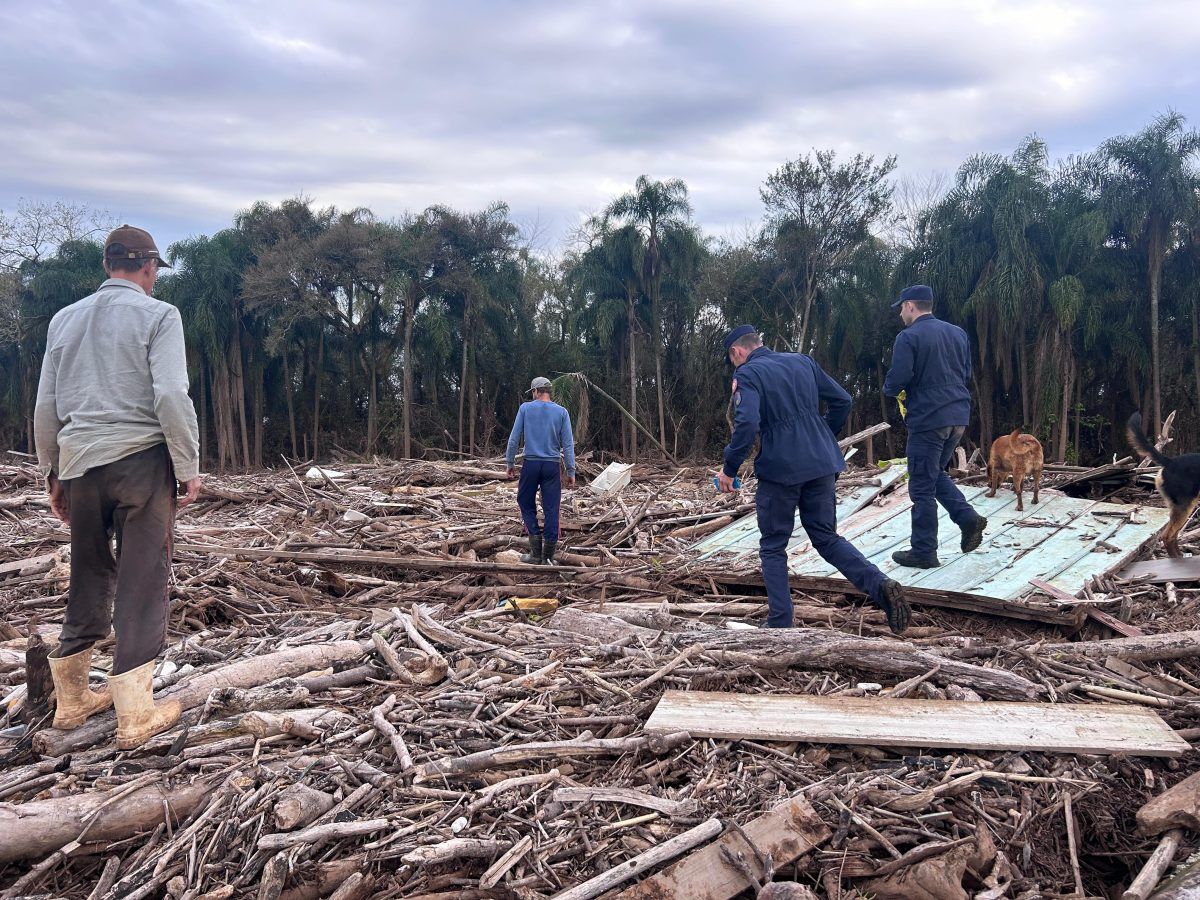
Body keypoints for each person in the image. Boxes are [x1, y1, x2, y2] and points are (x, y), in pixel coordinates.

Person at [34, 224, 202, 749]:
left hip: (81, 463)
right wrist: (187, 463)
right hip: (140, 462)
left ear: (108, 265)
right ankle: (135, 714)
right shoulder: (159, 315)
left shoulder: (65, 320)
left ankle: (72, 700)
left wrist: (53, 473)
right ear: (148, 268)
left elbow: (45, 407)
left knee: (87, 571)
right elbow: (172, 395)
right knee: (142, 576)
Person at [718, 326, 911, 633]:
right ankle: (881, 585)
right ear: (760, 342)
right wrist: (820, 436)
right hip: (821, 464)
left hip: (780, 470)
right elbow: (843, 400)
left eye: (732, 360)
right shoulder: (802, 362)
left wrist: (729, 468)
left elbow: (747, 424)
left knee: (772, 545)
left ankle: (780, 624)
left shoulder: (749, 375)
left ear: (736, 352)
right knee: (826, 537)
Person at [884, 284, 987, 568]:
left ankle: (924, 551)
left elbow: (898, 379)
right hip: (958, 416)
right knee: (932, 474)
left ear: (909, 306)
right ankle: (967, 518)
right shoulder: (958, 333)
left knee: (921, 487)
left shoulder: (909, 337)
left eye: (902, 309)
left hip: (928, 419)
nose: (901, 314)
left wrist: (891, 388)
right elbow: (965, 372)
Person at [506, 376, 576, 564]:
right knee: (552, 508)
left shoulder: (525, 409)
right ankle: (548, 557)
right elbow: (568, 445)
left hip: (531, 464)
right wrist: (571, 471)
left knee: (525, 501)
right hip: (552, 466)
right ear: (548, 391)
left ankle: (536, 553)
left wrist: (510, 463)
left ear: (536, 392)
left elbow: (513, 439)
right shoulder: (562, 412)